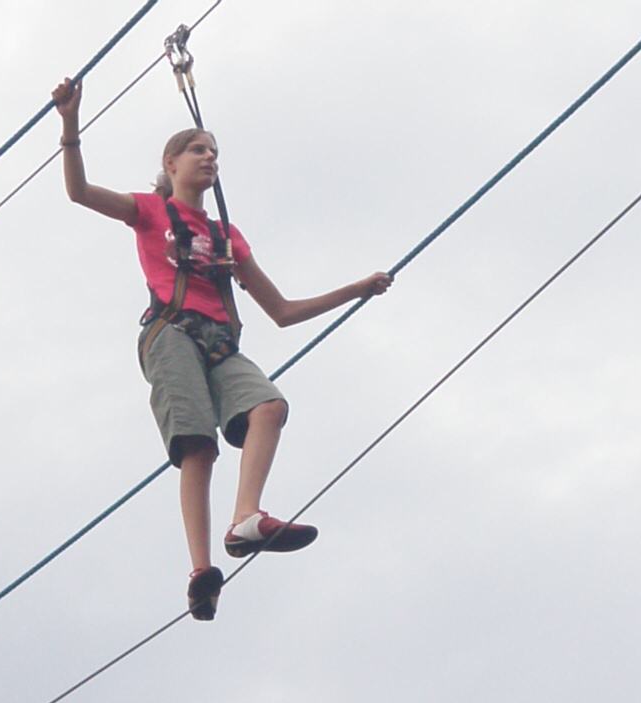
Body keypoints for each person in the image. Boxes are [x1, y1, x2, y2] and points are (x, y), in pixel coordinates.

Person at [52, 78, 393, 620]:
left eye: (213, 152)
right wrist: (70, 123)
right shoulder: (149, 211)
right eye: (197, 149)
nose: (209, 158)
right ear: (171, 163)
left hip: (219, 342)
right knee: (198, 447)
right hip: (172, 332)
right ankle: (201, 569)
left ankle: (245, 520)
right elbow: (80, 192)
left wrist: (356, 290)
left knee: (269, 407)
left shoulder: (227, 236)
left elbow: (282, 311)